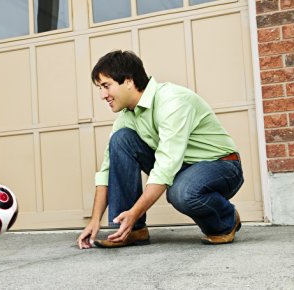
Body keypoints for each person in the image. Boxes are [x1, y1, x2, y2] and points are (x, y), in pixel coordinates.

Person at [77, 50, 244, 249]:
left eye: (106, 86)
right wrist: (95, 220)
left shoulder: (172, 100)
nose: (103, 95)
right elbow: (107, 169)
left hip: (221, 165)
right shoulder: (126, 117)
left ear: (128, 81)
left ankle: (226, 221)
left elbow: (165, 165)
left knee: (181, 193)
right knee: (121, 140)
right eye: (100, 88)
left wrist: (135, 210)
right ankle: (131, 229)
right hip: (181, 167)